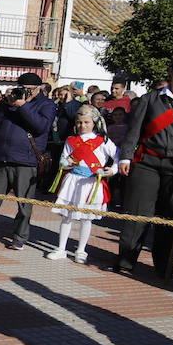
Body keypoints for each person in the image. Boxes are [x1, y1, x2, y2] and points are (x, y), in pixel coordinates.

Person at [110, 53, 173, 277]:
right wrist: (125, 157)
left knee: (172, 219)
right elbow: (134, 131)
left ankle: (165, 266)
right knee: (137, 215)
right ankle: (125, 262)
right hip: (146, 164)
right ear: (172, 71)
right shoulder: (150, 99)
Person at [0, 72, 55, 249]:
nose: (26, 93)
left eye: (29, 90)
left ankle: (20, 237)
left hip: (26, 161)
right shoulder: (9, 103)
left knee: (24, 203)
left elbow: (41, 126)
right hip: (1, 157)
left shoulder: (47, 104)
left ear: (38, 89)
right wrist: (5, 102)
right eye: (23, 89)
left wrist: (22, 105)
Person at [47, 105, 117, 264]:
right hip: (72, 181)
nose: (82, 126)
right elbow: (64, 161)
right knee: (66, 216)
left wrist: (112, 170)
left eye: (86, 122)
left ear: (95, 122)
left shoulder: (103, 141)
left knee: (87, 218)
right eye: (79, 122)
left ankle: (81, 250)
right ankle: (61, 248)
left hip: (91, 183)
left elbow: (118, 157)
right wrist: (66, 163)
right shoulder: (71, 140)